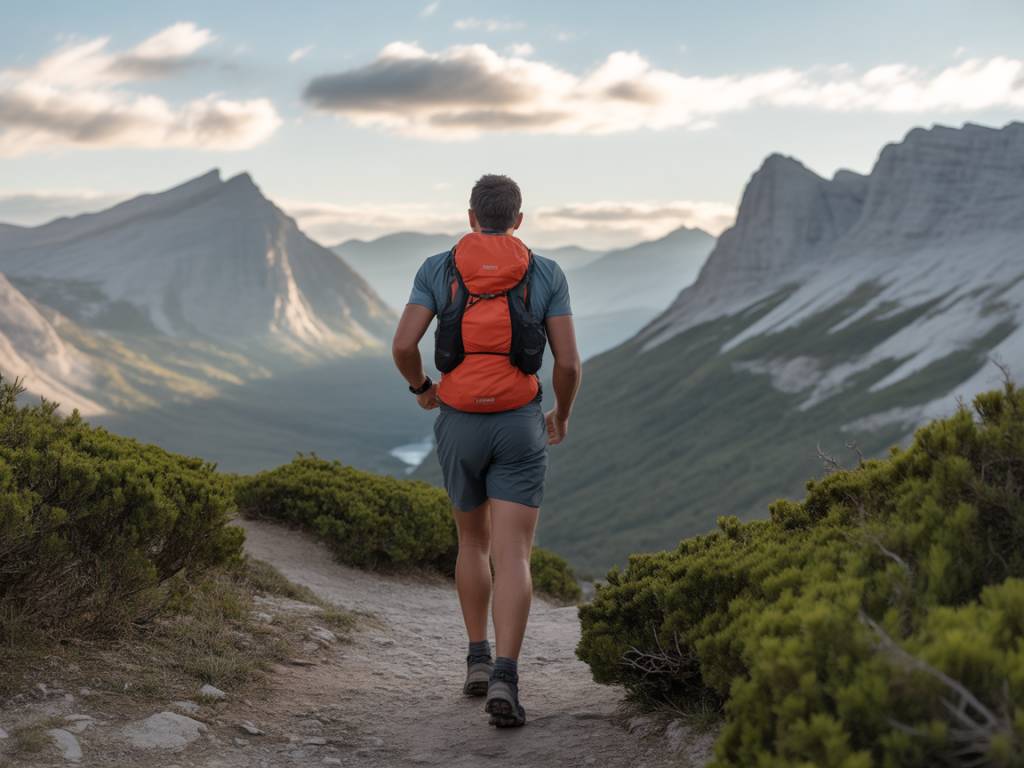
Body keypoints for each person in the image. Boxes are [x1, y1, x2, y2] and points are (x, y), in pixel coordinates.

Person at [391, 173, 582, 728]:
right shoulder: (546, 272)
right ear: (518, 220)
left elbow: (404, 345)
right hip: (520, 423)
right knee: (514, 554)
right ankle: (505, 674)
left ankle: (475, 658)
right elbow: (567, 364)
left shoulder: (438, 268)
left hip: (459, 422)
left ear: (471, 216)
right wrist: (560, 415)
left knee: (471, 543)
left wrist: (424, 389)